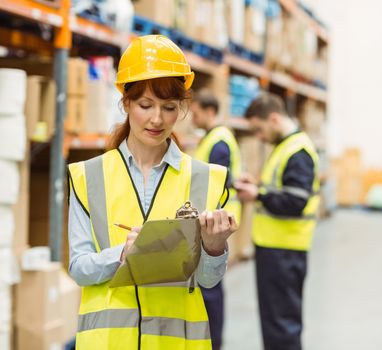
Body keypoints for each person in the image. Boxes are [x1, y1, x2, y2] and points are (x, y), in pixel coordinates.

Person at [67, 35, 237, 350]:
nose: (157, 119)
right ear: (126, 102)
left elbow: (207, 280)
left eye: (169, 107)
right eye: (145, 105)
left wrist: (214, 248)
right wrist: (121, 255)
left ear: (182, 108)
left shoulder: (204, 179)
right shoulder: (88, 177)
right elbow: (79, 267)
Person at [235, 93, 320, 350]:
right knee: (274, 322)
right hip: (274, 247)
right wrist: (258, 186)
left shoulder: (298, 151)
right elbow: (283, 189)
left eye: (259, 130)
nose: (259, 137)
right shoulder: (285, 146)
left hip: (285, 250)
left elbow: (296, 201)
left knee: (282, 325)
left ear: (273, 118)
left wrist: (258, 194)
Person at [190, 90, 242, 350]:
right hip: (208, 222)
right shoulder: (211, 139)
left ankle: (214, 342)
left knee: (210, 288)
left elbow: (214, 187)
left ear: (209, 111)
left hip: (213, 224)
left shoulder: (219, 142)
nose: (192, 117)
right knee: (207, 286)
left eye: (196, 112)